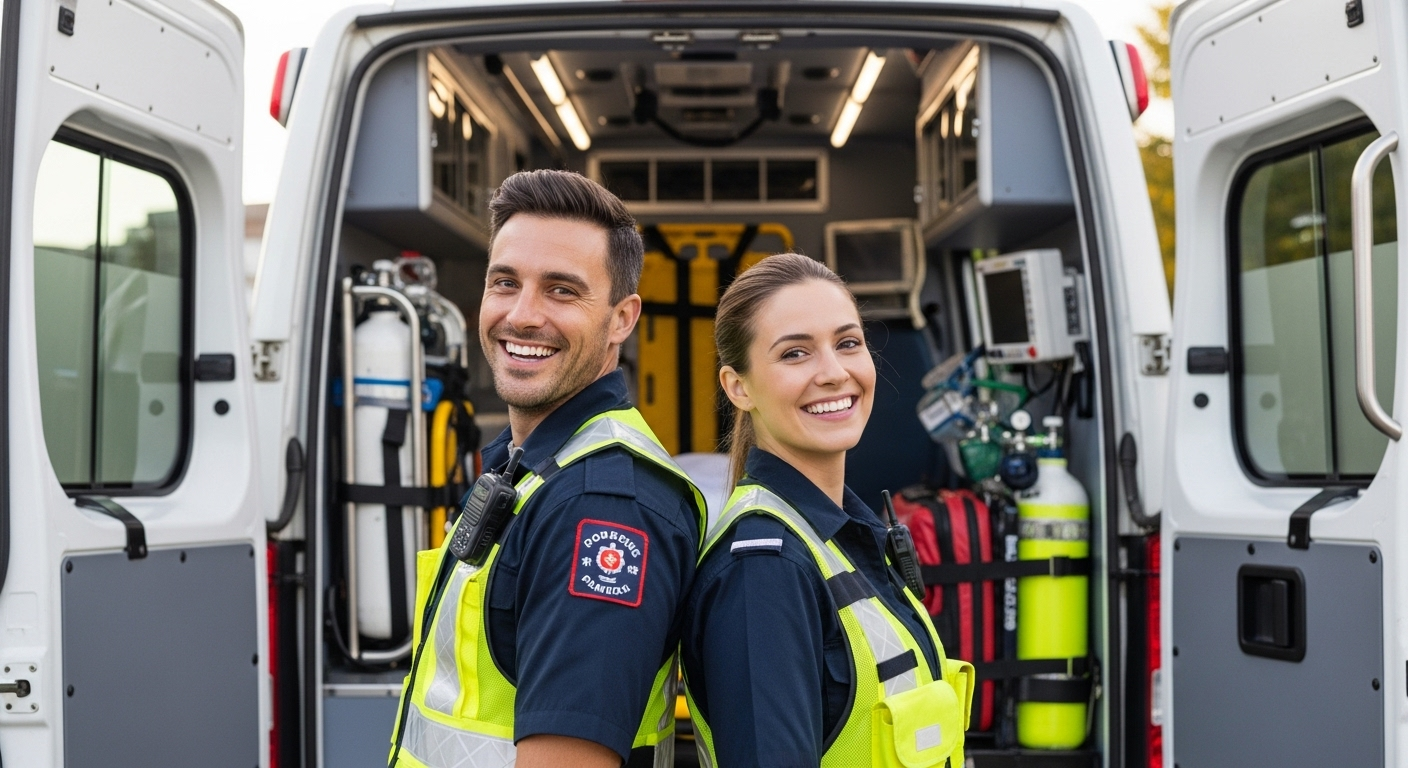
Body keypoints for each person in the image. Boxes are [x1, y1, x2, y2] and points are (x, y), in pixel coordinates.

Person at [389, 170, 706, 768]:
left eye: (562, 290)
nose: (523, 315)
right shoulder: (529, 468)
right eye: (505, 283)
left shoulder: (606, 503)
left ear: (622, 318)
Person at [681, 253, 972, 767]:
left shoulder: (843, 536)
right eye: (795, 353)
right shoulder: (764, 571)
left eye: (847, 343)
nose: (835, 373)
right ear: (738, 387)